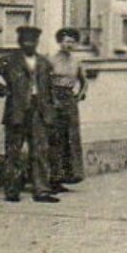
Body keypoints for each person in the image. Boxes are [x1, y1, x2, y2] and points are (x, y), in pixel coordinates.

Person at [0, 25, 59, 203]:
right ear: (20, 42)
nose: (29, 44)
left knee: (40, 151)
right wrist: (4, 91)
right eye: (25, 41)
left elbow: (51, 89)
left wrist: (51, 111)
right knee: (14, 151)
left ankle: (42, 191)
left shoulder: (44, 63)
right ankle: (12, 190)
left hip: (40, 112)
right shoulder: (9, 61)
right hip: (17, 111)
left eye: (32, 41)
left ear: (37, 42)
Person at [49, 27, 89, 187]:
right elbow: (44, 81)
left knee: (70, 138)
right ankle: (53, 178)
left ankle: (69, 176)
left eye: (72, 42)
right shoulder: (51, 60)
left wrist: (80, 94)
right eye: (66, 42)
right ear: (60, 42)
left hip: (69, 100)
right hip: (54, 99)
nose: (69, 45)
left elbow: (84, 81)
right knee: (56, 138)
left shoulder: (77, 61)